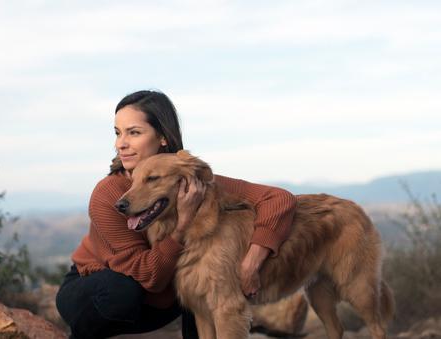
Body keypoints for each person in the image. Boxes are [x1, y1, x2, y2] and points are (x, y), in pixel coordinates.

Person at [56, 90, 297, 339]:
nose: (120, 143)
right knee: (122, 290)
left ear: (162, 137)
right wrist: (182, 226)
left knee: (202, 271)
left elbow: (279, 199)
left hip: (161, 297)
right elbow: (148, 277)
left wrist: (251, 263)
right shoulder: (110, 194)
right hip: (100, 293)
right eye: (118, 133)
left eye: (133, 132)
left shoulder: (187, 176)